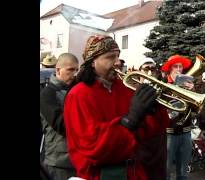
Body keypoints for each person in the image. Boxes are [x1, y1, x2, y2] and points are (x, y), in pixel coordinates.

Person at [63, 35, 169, 180]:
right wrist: (130, 120)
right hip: (99, 175)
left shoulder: (125, 88)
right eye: (110, 57)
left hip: (133, 172)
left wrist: (154, 110)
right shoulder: (78, 94)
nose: (118, 62)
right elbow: (93, 147)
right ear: (93, 62)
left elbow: (147, 132)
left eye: (118, 56)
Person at [40, 53, 79, 180]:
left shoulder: (74, 89)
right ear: (58, 70)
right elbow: (61, 125)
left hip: (76, 158)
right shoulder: (48, 93)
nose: (74, 74)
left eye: (76, 70)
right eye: (70, 70)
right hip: (58, 162)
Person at [133, 57, 167, 180]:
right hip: (142, 149)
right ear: (139, 71)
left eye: (153, 69)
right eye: (146, 68)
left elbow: (165, 122)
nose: (150, 72)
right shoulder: (132, 91)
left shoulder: (160, 90)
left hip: (159, 147)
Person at [161, 55, 193, 180]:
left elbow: (195, 108)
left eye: (181, 67)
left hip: (186, 131)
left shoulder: (188, 84)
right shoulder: (163, 85)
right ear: (170, 69)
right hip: (169, 132)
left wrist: (192, 92)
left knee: (183, 171)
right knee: (166, 169)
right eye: (176, 66)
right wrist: (175, 90)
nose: (179, 69)